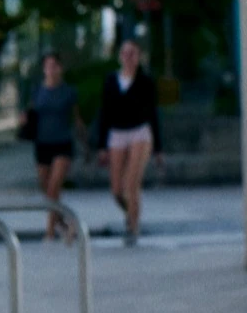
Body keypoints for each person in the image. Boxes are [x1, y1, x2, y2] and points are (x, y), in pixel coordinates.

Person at [94, 39, 162, 247]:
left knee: (131, 184)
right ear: (120, 56)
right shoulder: (111, 81)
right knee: (117, 190)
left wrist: (159, 148)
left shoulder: (146, 82)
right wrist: (102, 145)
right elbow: (104, 112)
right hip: (117, 133)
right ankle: (131, 211)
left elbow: (153, 114)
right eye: (125, 53)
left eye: (133, 53)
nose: (129, 57)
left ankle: (133, 225)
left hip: (139, 132)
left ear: (139, 57)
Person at [28, 52, 81, 243]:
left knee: (53, 187)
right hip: (42, 143)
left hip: (62, 143)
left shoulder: (68, 92)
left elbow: (76, 119)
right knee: (47, 189)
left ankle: (49, 231)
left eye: (54, 65)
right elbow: (31, 112)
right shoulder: (37, 91)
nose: (50, 69)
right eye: (47, 66)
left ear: (60, 68)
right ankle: (65, 223)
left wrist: (86, 143)